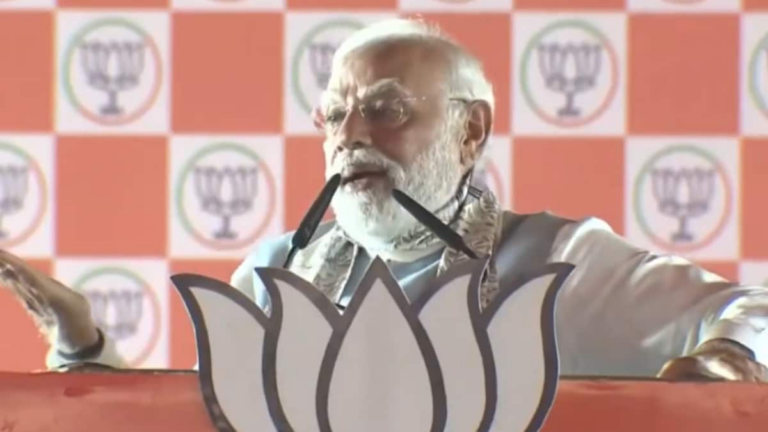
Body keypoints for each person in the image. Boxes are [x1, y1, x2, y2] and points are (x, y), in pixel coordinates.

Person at [2, 18, 768, 381]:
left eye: (386, 110)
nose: (351, 137)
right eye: (334, 115)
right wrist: (85, 349)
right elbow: (200, 417)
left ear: (471, 131)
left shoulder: (558, 262)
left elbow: (756, 312)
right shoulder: (276, 272)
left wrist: (726, 361)